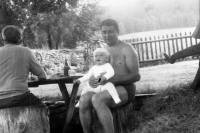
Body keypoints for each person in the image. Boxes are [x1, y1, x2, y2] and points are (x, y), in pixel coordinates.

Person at [79, 19, 141, 133]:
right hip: (104, 87)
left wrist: (111, 80)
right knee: (83, 100)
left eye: (111, 31)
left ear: (117, 32)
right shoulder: (103, 51)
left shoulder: (127, 48)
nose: (107, 35)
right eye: (104, 32)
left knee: (98, 99)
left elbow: (136, 76)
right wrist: (94, 80)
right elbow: (97, 72)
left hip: (125, 88)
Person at [0, 25, 47, 109]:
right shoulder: (26, 51)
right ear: (20, 39)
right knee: (43, 108)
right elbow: (43, 76)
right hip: (20, 98)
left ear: (3, 39)